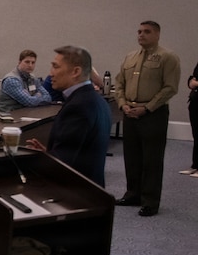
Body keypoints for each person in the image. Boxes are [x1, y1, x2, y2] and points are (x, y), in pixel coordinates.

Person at [113, 20, 181, 216]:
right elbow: (119, 83)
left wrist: (148, 108)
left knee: (152, 159)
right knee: (132, 156)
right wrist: (122, 103)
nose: (141, 35)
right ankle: (133, 194)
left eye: (147, 32)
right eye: (139, 31)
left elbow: (170, 88)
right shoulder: (130, 57)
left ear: (157, 35)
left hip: (153, 114)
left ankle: (150, 200)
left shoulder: (168, 57)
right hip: (130, 112)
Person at [26, 46, 111, 187]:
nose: (51, 73)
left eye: (56, 67)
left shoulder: (78, 106)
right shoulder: (96, 100)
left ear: (75, 72)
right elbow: (78, 152)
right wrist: (48, 153)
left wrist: (37, 160)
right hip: (91, 189)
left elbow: (63, 163)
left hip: (75, 193)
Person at [0, 50, 53, 115]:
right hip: (4, 117)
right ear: (19, 62)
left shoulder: (32, 78)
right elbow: (29, 102)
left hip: (23, 115)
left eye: (33, 62)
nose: (30, 65)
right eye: (27, 62)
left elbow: (48, 97)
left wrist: (32, 97)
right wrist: (37, 95)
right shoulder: (11, 80)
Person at [185, 61, 198, 177]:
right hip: (195, 102)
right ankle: (195, 165)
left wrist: (196, 83)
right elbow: (192, 78)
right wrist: (191, 82)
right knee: (196, 135)